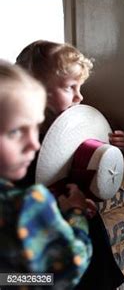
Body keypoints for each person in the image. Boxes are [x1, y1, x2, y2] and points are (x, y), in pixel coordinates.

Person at [15, 40, 124, 289]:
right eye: (70, 87)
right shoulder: (19, 152)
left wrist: (113, 149)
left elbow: (92, 165)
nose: (80, 95)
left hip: (84, 233)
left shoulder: (70, 134)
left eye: (80, 86)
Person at [0, 60, 92, 289]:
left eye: (34, 128)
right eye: (15, 131)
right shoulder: (26, 205)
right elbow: (67, 270)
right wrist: (77, 213)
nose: (34, 144)